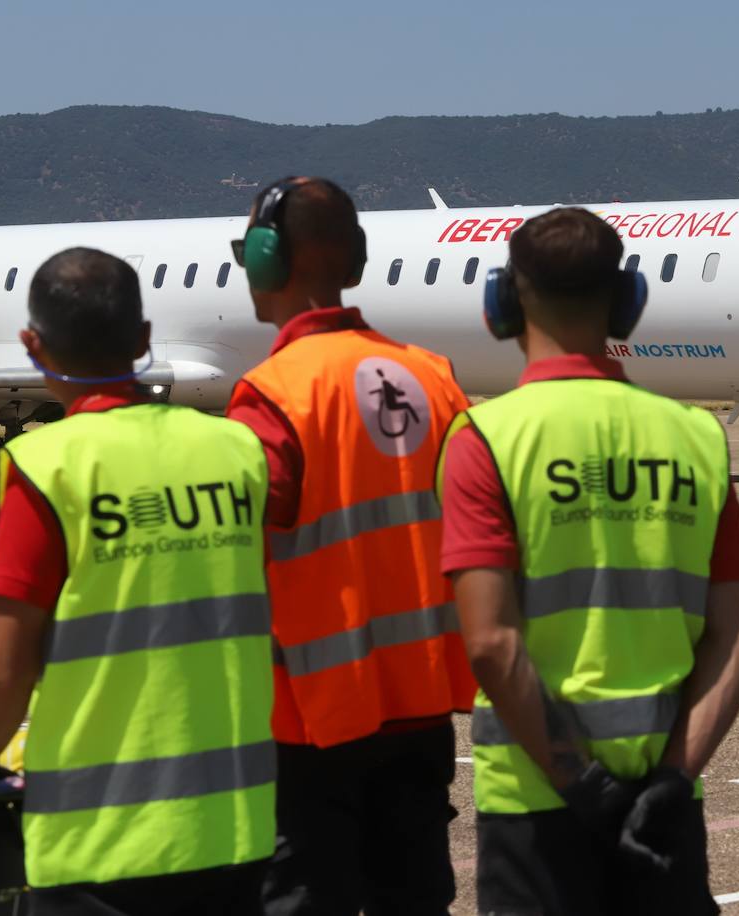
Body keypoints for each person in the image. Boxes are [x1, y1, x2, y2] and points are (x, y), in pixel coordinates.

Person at [438, 207, 739, 916]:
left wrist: (582, 782)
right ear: (627, 302)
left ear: (502, 302)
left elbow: (492, 644)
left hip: (534, 804)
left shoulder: (485, 439)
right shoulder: (693, 438)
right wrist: (671, 781)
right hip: (664, 805)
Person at [0, 247, 276, 915]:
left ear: (32, 346)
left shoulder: (47, 464)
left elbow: (4, 669)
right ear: (145, 340)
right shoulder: (238, 451)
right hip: (235, 826)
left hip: (99, 841)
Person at [226, 177, 476, 915]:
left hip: (313, 721)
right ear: (357, 259)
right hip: (422, 707)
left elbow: (244, 553)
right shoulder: (436, 380)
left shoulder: (273, 395)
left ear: (267, 260)